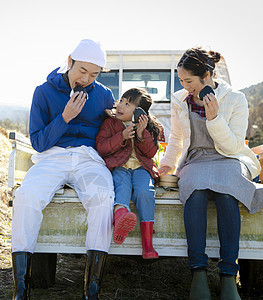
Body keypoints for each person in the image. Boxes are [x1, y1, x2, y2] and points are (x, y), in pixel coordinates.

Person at [11, 39, 115, 300]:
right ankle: (20, 289)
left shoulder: (103, 94)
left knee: (103, 197)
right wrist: (65, 117)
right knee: (26, 196)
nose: (87, 79)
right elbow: (38, 143)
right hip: (52, 156)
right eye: (82, 71)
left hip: (89, 158)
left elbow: (110, 132)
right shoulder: (43, 92)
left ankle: (92, 290)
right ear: (69, 61)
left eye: (94, 74)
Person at [158, 47, 263, 300]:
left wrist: (214, 118)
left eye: (189, 81)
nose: (185, 86)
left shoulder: (236, 98)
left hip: (229, 158)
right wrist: (166, 165)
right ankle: (198, 272)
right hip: (197, 159)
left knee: (227, 196)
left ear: (207, 75)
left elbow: (234, 145)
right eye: (181, 81)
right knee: (194, 192)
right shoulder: (179, 99)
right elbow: (176, 138)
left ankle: (228, 275)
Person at [96, 88, 163, 259]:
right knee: (121, 186)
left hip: (141, 168)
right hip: (119, 166)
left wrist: (141, 134)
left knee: (145, 192)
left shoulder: (149, 127)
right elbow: (102, 148)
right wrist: (122, 136)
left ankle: (148, 246)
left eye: (128, 104)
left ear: (140, 112)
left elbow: (150, 153)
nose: (120, 106)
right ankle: (121, 219)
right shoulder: (109, 124)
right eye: (121, 101)